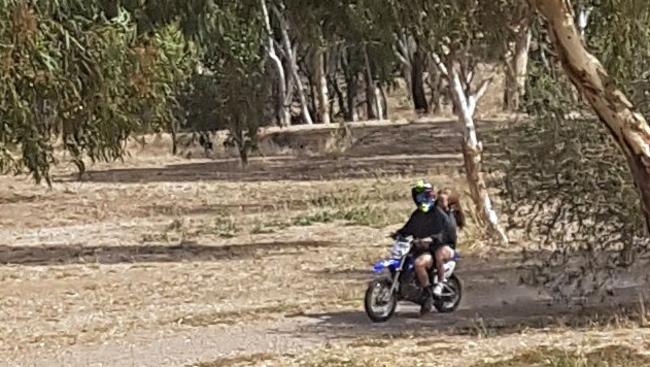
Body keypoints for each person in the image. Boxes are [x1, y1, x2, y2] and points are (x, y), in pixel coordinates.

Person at [394, 180, 454, 315]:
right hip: (417, 248)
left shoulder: (438, 214)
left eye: (424, 196)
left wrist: (431, 239)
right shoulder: (417, 214)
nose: (421, 199)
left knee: (419, 264)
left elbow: (444, 233)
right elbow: (408, 228)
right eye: (419, 196)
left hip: (433, 249)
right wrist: (399, 234)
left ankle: (428, 294)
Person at [431, 188, 464, 297]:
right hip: (432, 244)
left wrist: (434, 237)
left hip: (446, 246)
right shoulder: (433, 212)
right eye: (438, 200)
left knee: (439, 253)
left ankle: (440, 283)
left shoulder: (450, 217)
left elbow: (447, 233)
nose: (439, 203)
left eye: (442, 201)